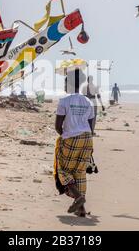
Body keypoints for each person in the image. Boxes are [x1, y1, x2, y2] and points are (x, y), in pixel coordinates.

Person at [55, 69, 94, 218]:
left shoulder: (64, 101)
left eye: (65, 81)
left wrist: (66, 136)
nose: (64, 85)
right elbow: (91, 125)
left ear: (69, 83)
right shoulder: (88, 101)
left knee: (63, 170)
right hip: (87, 138)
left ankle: (78, 197)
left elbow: (58, 126)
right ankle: (81, 209)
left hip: (72, 138)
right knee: (80, 173)